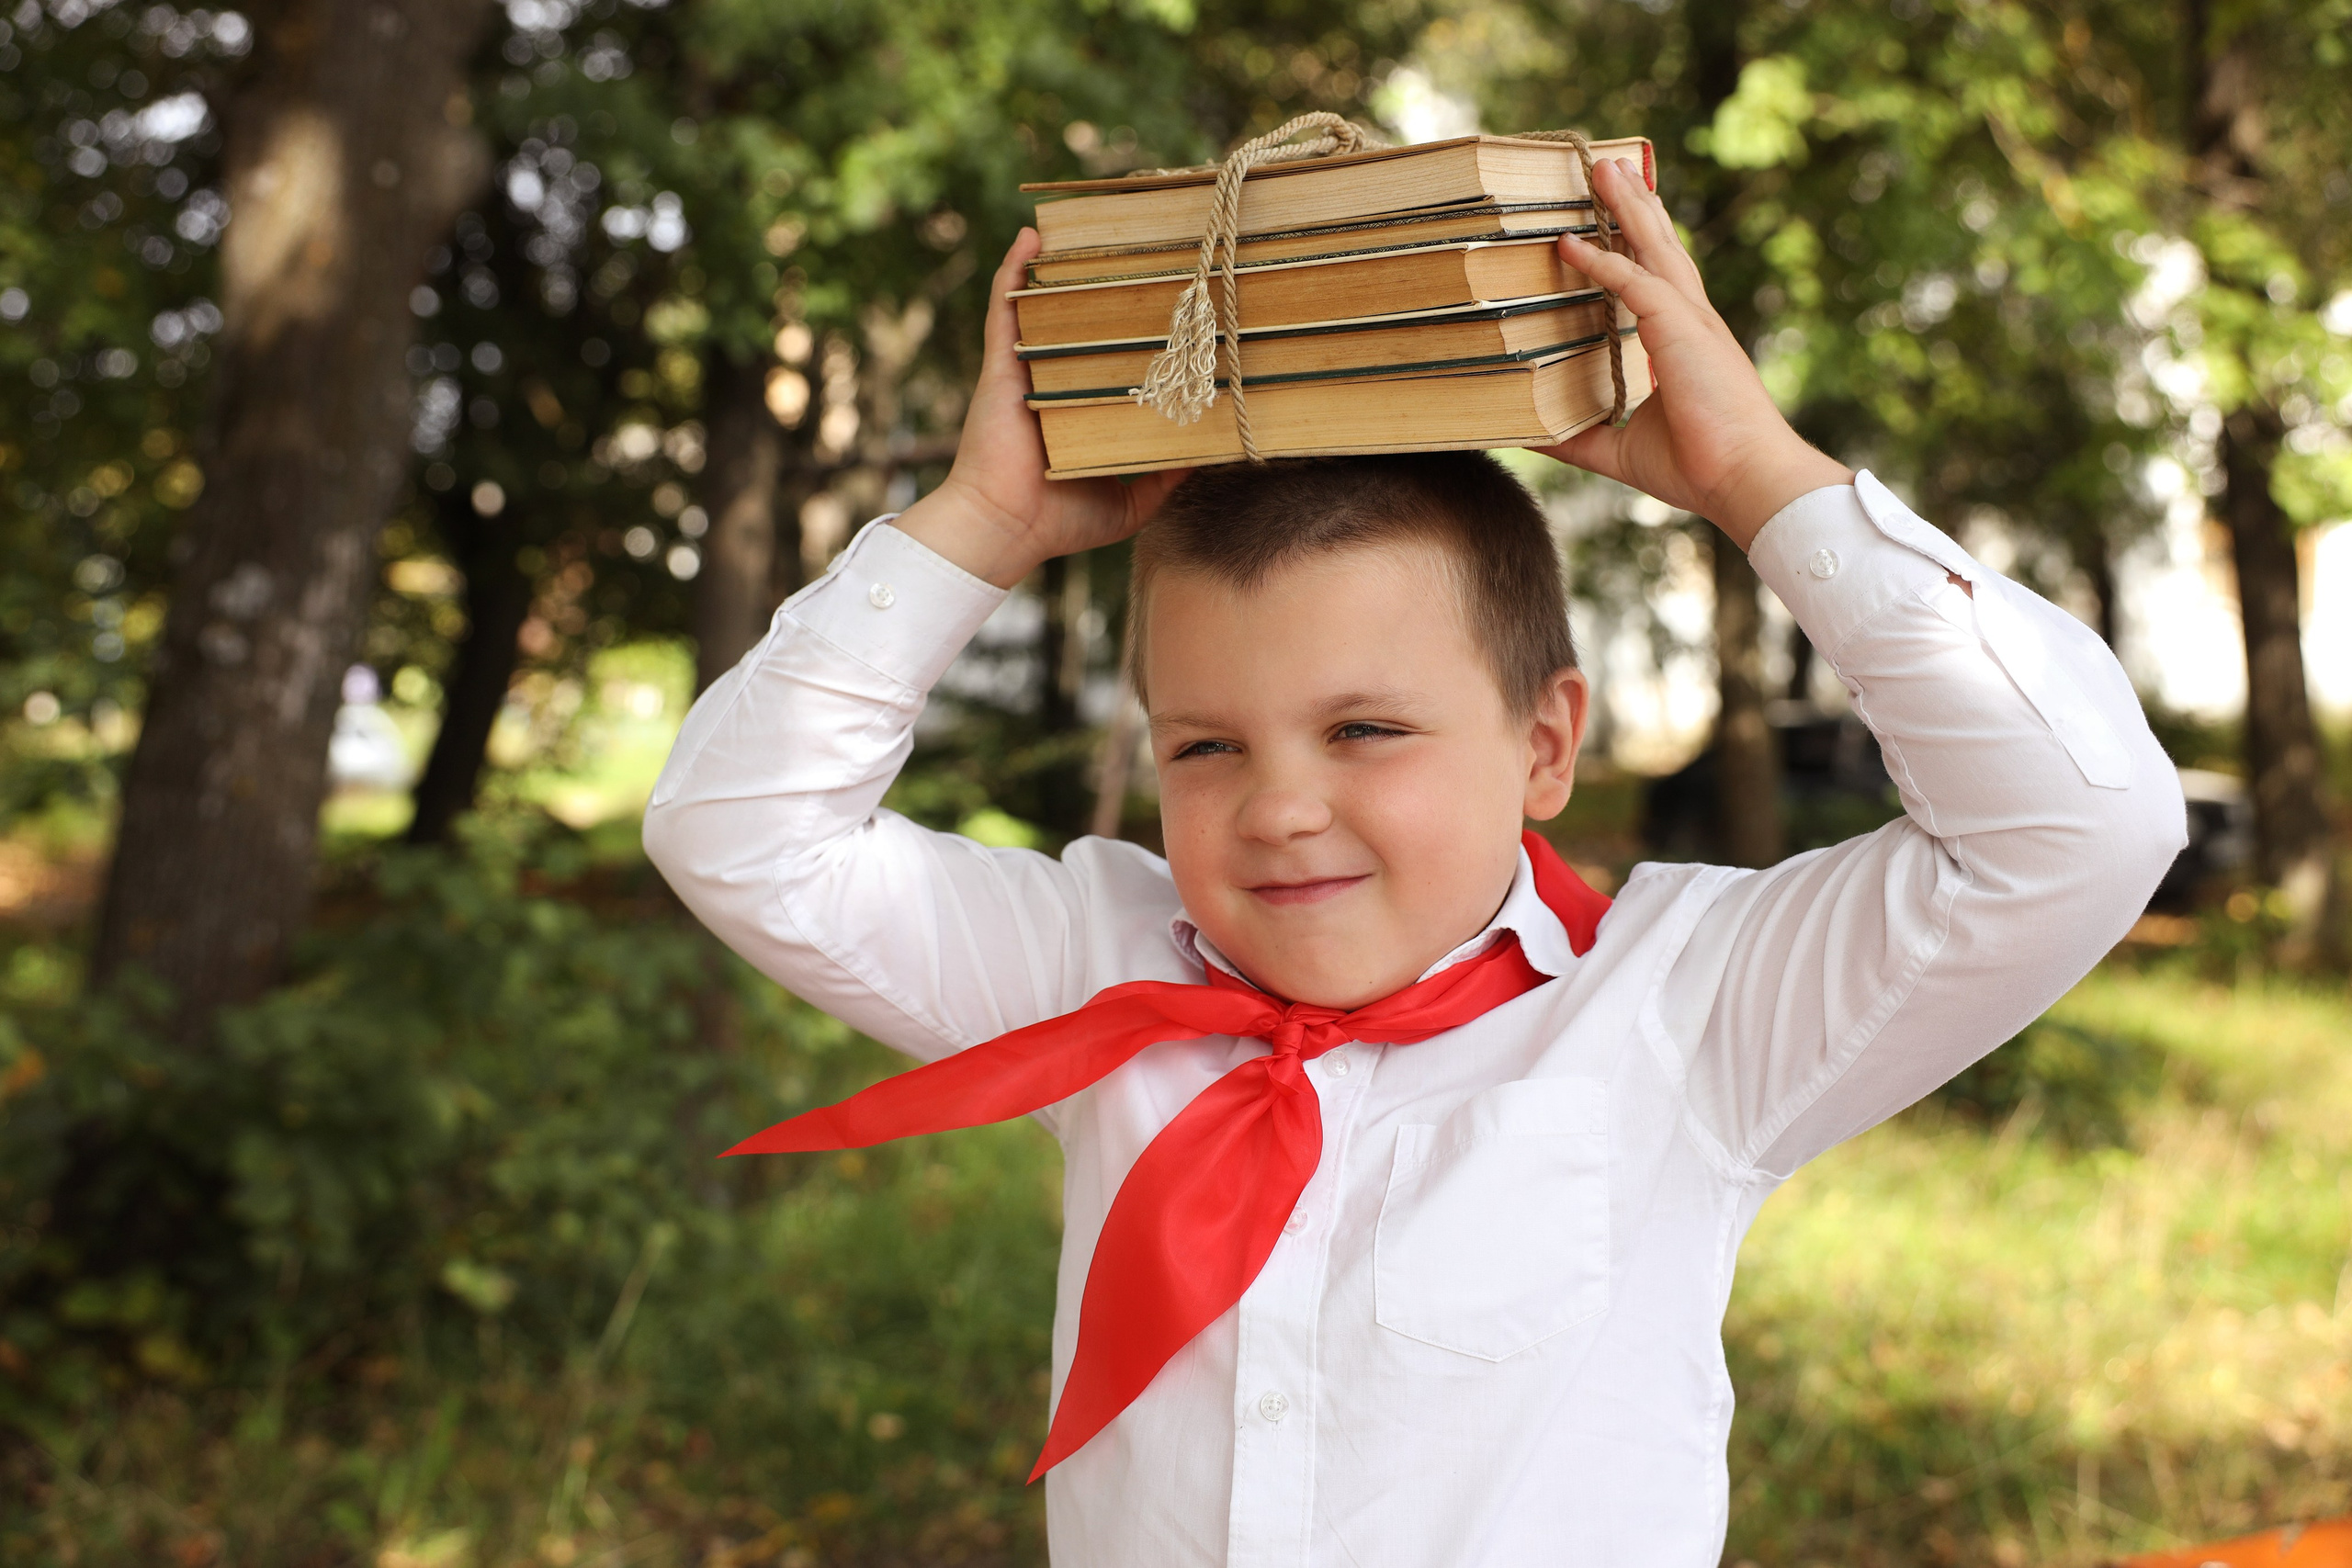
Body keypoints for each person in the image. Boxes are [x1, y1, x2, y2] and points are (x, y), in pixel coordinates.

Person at [643, 157, 2185, 1567]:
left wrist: (1751, 477)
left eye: (1367, 729)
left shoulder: (1693, 1007)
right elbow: (741, 833)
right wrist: (976, 524)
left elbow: (2079, 825)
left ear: (1544, 744)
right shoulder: (1097, 953)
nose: (1280, 811)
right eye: (1205, 746)